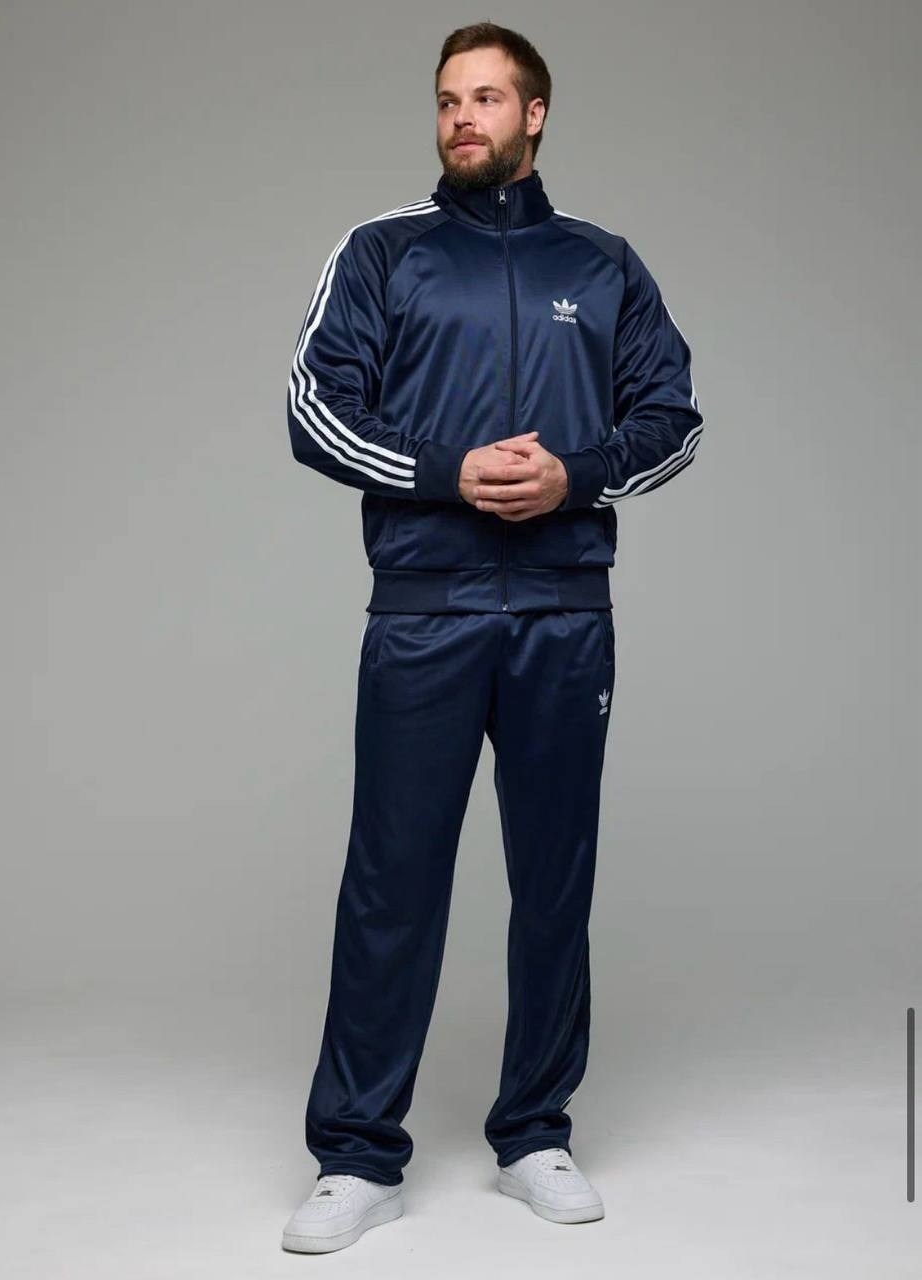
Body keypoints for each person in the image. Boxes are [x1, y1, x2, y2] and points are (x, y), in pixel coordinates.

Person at [281, 20, 704, 1254]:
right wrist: (446, 472)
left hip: (565, 614)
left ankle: (534, 1133)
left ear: (535, 115)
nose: (461, 117)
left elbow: (673, 417)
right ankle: (358, 1154)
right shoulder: (384, 251)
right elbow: (314, 407)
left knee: (554, 878)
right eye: (447, 99)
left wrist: (573, 475)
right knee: (393, 880)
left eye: (485, 98)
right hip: (426, 610)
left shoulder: (604, 262)